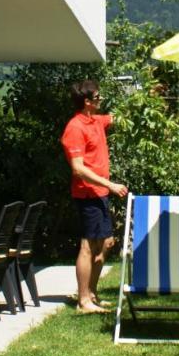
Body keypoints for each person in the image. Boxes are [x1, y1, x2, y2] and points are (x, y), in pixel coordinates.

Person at [60, 79, 128, 313]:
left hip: (99, 193)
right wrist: (110, 184)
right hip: (87, 194)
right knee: (88, 246)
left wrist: (149, 94)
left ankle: (91, 293)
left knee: (106, 243)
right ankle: (83, 301)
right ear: (87, 101)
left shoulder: (95, 121)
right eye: (97, 97)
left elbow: (122, 117)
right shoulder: (75, 128)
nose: (101, 100)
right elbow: (78, 169)